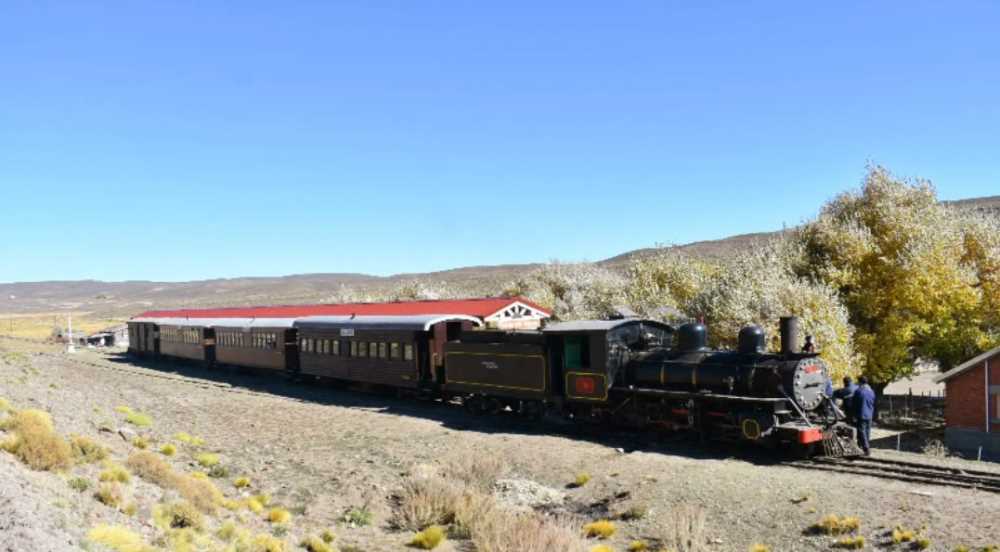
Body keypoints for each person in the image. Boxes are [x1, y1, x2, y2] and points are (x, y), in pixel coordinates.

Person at [853, 376, 876, 456]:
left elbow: (854, 404)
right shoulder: (871, 391)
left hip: (861, 414)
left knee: (861, 431)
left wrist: (854, 415)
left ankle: (866, 448)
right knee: (867, 431)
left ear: (860, 382)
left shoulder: (858, 391)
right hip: (869, 414)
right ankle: (863, 447)